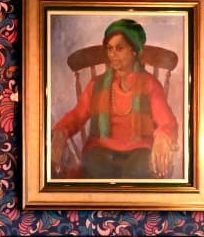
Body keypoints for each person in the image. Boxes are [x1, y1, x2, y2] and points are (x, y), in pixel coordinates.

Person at [49, 19, 180, 180]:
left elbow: (167, 121)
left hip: (139, 150)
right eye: (110, 48)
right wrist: (61, 131)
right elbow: (77, 115)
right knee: (94, 166)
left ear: (134, 51)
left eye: (119, 48)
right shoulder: (97, 84)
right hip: (101, 149)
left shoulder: (149, 83)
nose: (112, 54)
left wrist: (163, 136)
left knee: (139, 169)